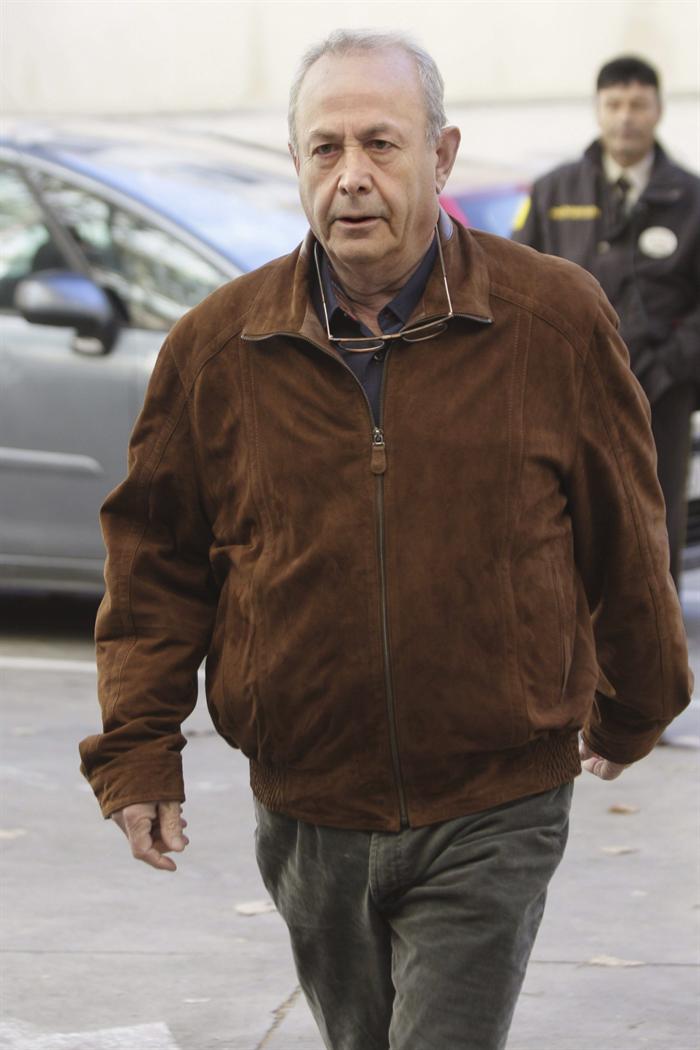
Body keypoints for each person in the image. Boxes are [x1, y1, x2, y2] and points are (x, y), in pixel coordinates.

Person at [79, 31, 692, 1050]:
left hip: (494, 798)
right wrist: (137, 752)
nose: (351, 176)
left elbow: (625, 530)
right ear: (297, 163)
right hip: (308, 803)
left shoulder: (552, 321)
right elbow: (155, 563)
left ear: (440, 156)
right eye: (325, 149)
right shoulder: (216, 349)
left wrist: (638, 703)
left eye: (380, 143)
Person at [512, 55, 700, 589]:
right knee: (575, 528)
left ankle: (658, 636)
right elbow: (519, 284)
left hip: (659, 397)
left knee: (654, 528)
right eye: (614, 104)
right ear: (598, 109)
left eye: (638, 104)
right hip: (569, 394)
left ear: (658, 110)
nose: (625, 117)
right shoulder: (555, 192)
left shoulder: (692, 198)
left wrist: (668, 366)